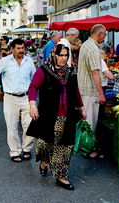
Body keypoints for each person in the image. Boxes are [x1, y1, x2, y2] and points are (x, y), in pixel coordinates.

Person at [27, 44, 86, 191]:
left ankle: (61, 176)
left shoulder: (71, 71)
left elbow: (76, 90)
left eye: (66, 55)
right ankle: (44, 162)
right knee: (45, 144)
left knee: (64, 147)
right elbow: (33, 87)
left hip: (68, 116)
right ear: (54, 55)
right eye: (61, 55)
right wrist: (33, 105)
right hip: (48, 116)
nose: (64, 58)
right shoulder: (44, 71)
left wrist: (82, 107)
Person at [0, 39, 36, 162]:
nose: (21, 51)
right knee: (12, 126)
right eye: (18, 48)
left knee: (30, 124)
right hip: (10, 98)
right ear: (12, 49)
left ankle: (26, 149)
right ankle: (15, 151)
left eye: (22, 48)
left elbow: (34, 80)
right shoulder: (5, 61)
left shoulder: (29, 62)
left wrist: (34, 97)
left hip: (27, 97)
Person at [77, 24, 108, 159]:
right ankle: (87, 149)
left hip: (83, 88)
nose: (105, 37)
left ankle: (87, 146)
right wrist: (101, 93)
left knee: (86, 120)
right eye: (105, 34)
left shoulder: (85, 45)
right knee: (90, 122)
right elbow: (95, 73)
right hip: (90, 90)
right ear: (99, 34)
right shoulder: (94, 49)